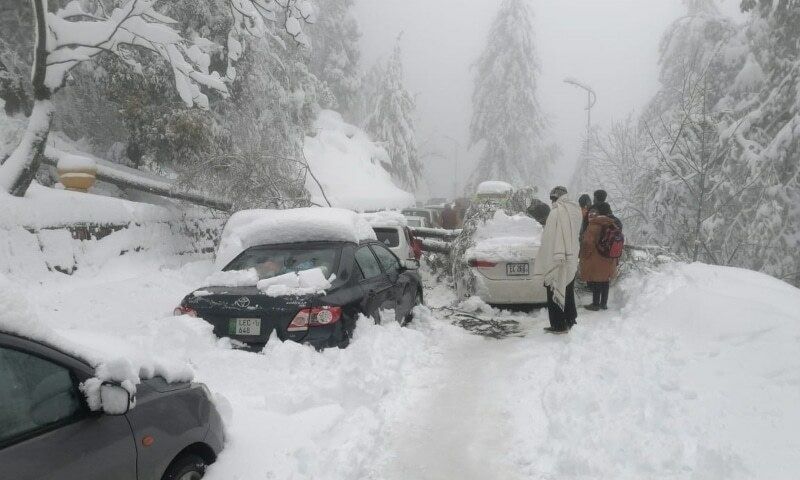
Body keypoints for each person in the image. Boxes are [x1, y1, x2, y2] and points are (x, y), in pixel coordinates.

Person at [534, 186, 583, 334]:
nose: (551, 202)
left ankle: (558, 324)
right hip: (571, 256)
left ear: (555, 198)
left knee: (554, 289)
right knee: (568, 289)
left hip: (557, 258)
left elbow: (549, 240)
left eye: (552, 199)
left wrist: (546, 258)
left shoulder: (556, 213)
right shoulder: (575, 211)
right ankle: (570, 319)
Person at [580, 202, 619, 311]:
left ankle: (596, 304)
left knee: (596, 280)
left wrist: (584, 256)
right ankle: (603, 303)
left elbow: (588, 244)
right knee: (605, 281)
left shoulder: (593, 226)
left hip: (596, 258)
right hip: (608, 258)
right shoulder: (611, 223)